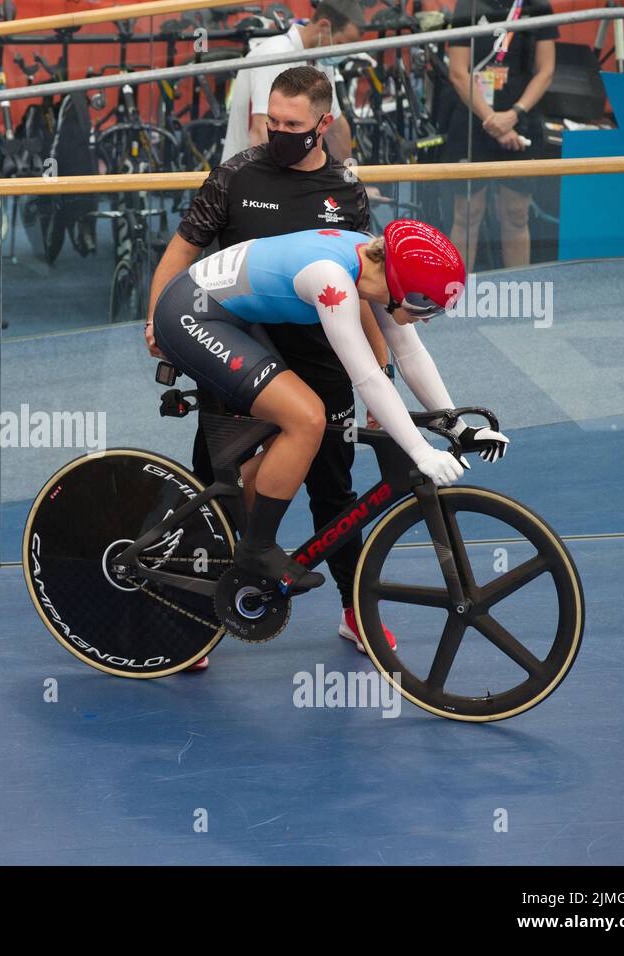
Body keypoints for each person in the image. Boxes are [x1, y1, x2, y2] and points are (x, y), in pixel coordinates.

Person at [150, 65, 392, 662]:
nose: (277, 133)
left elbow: (362, 284)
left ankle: (356, 611)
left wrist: (380, 373)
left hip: (320, 356)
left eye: (292, 125)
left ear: (324, 123)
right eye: (270, 122)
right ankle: (197, 617)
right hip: (235, 347)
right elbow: (183, 251)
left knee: (335, 492)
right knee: (217, 484)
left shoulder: (347, 191)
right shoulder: (235, 175)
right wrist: (157, 318)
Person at [150, 220, 510, 600]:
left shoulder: (377, 266)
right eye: (425, 306)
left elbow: (410, 353)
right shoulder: (332, 280)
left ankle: (220, 509)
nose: (425, 317)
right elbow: (368, 378)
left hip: (227, 313)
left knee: (296, 437)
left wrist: (457, 426)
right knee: (307, 419)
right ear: (401, 286)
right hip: (190, 314)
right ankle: (256, 549)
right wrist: (420, 452)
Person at [444, 0, 557, 269]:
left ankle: (519, 293)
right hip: (473, 121)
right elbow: (458, 72)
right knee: (467, 214)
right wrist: (492, 120)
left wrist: (514, 114)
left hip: (521, 120)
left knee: (516, 213)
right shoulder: (468, 6)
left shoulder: (537, 6)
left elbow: (546, 71)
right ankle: (454, 296)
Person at [221, 0, 366, 165]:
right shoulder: (275, 54)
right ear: (325, 27)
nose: (341, 54)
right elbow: (262, 132)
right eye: (340, 44)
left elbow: (336, 130)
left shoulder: (320, 61)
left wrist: (350, 182)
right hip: (246, 177)